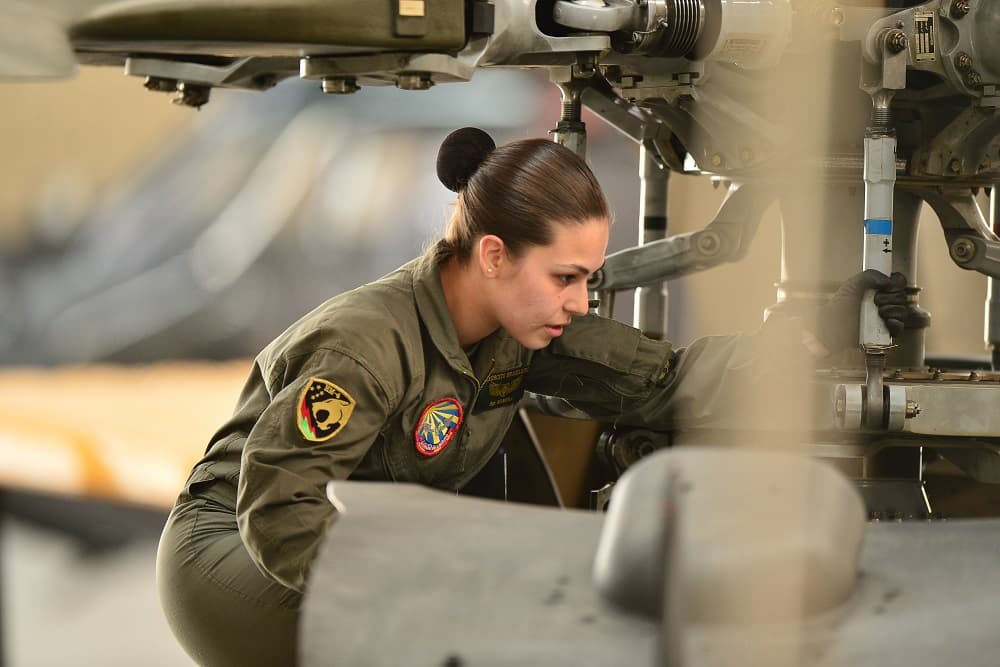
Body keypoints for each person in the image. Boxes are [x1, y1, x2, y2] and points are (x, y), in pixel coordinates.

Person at [156, 127, 908, 666]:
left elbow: (663, 382)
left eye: (587, 276)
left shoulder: (525, 325)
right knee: (470, 627)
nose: (581, 301)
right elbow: (279, 510)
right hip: (233, 553)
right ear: (493, 254)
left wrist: (807, 337)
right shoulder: (365, 345)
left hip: (370, 533)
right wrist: (411, 586)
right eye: (566, 276)